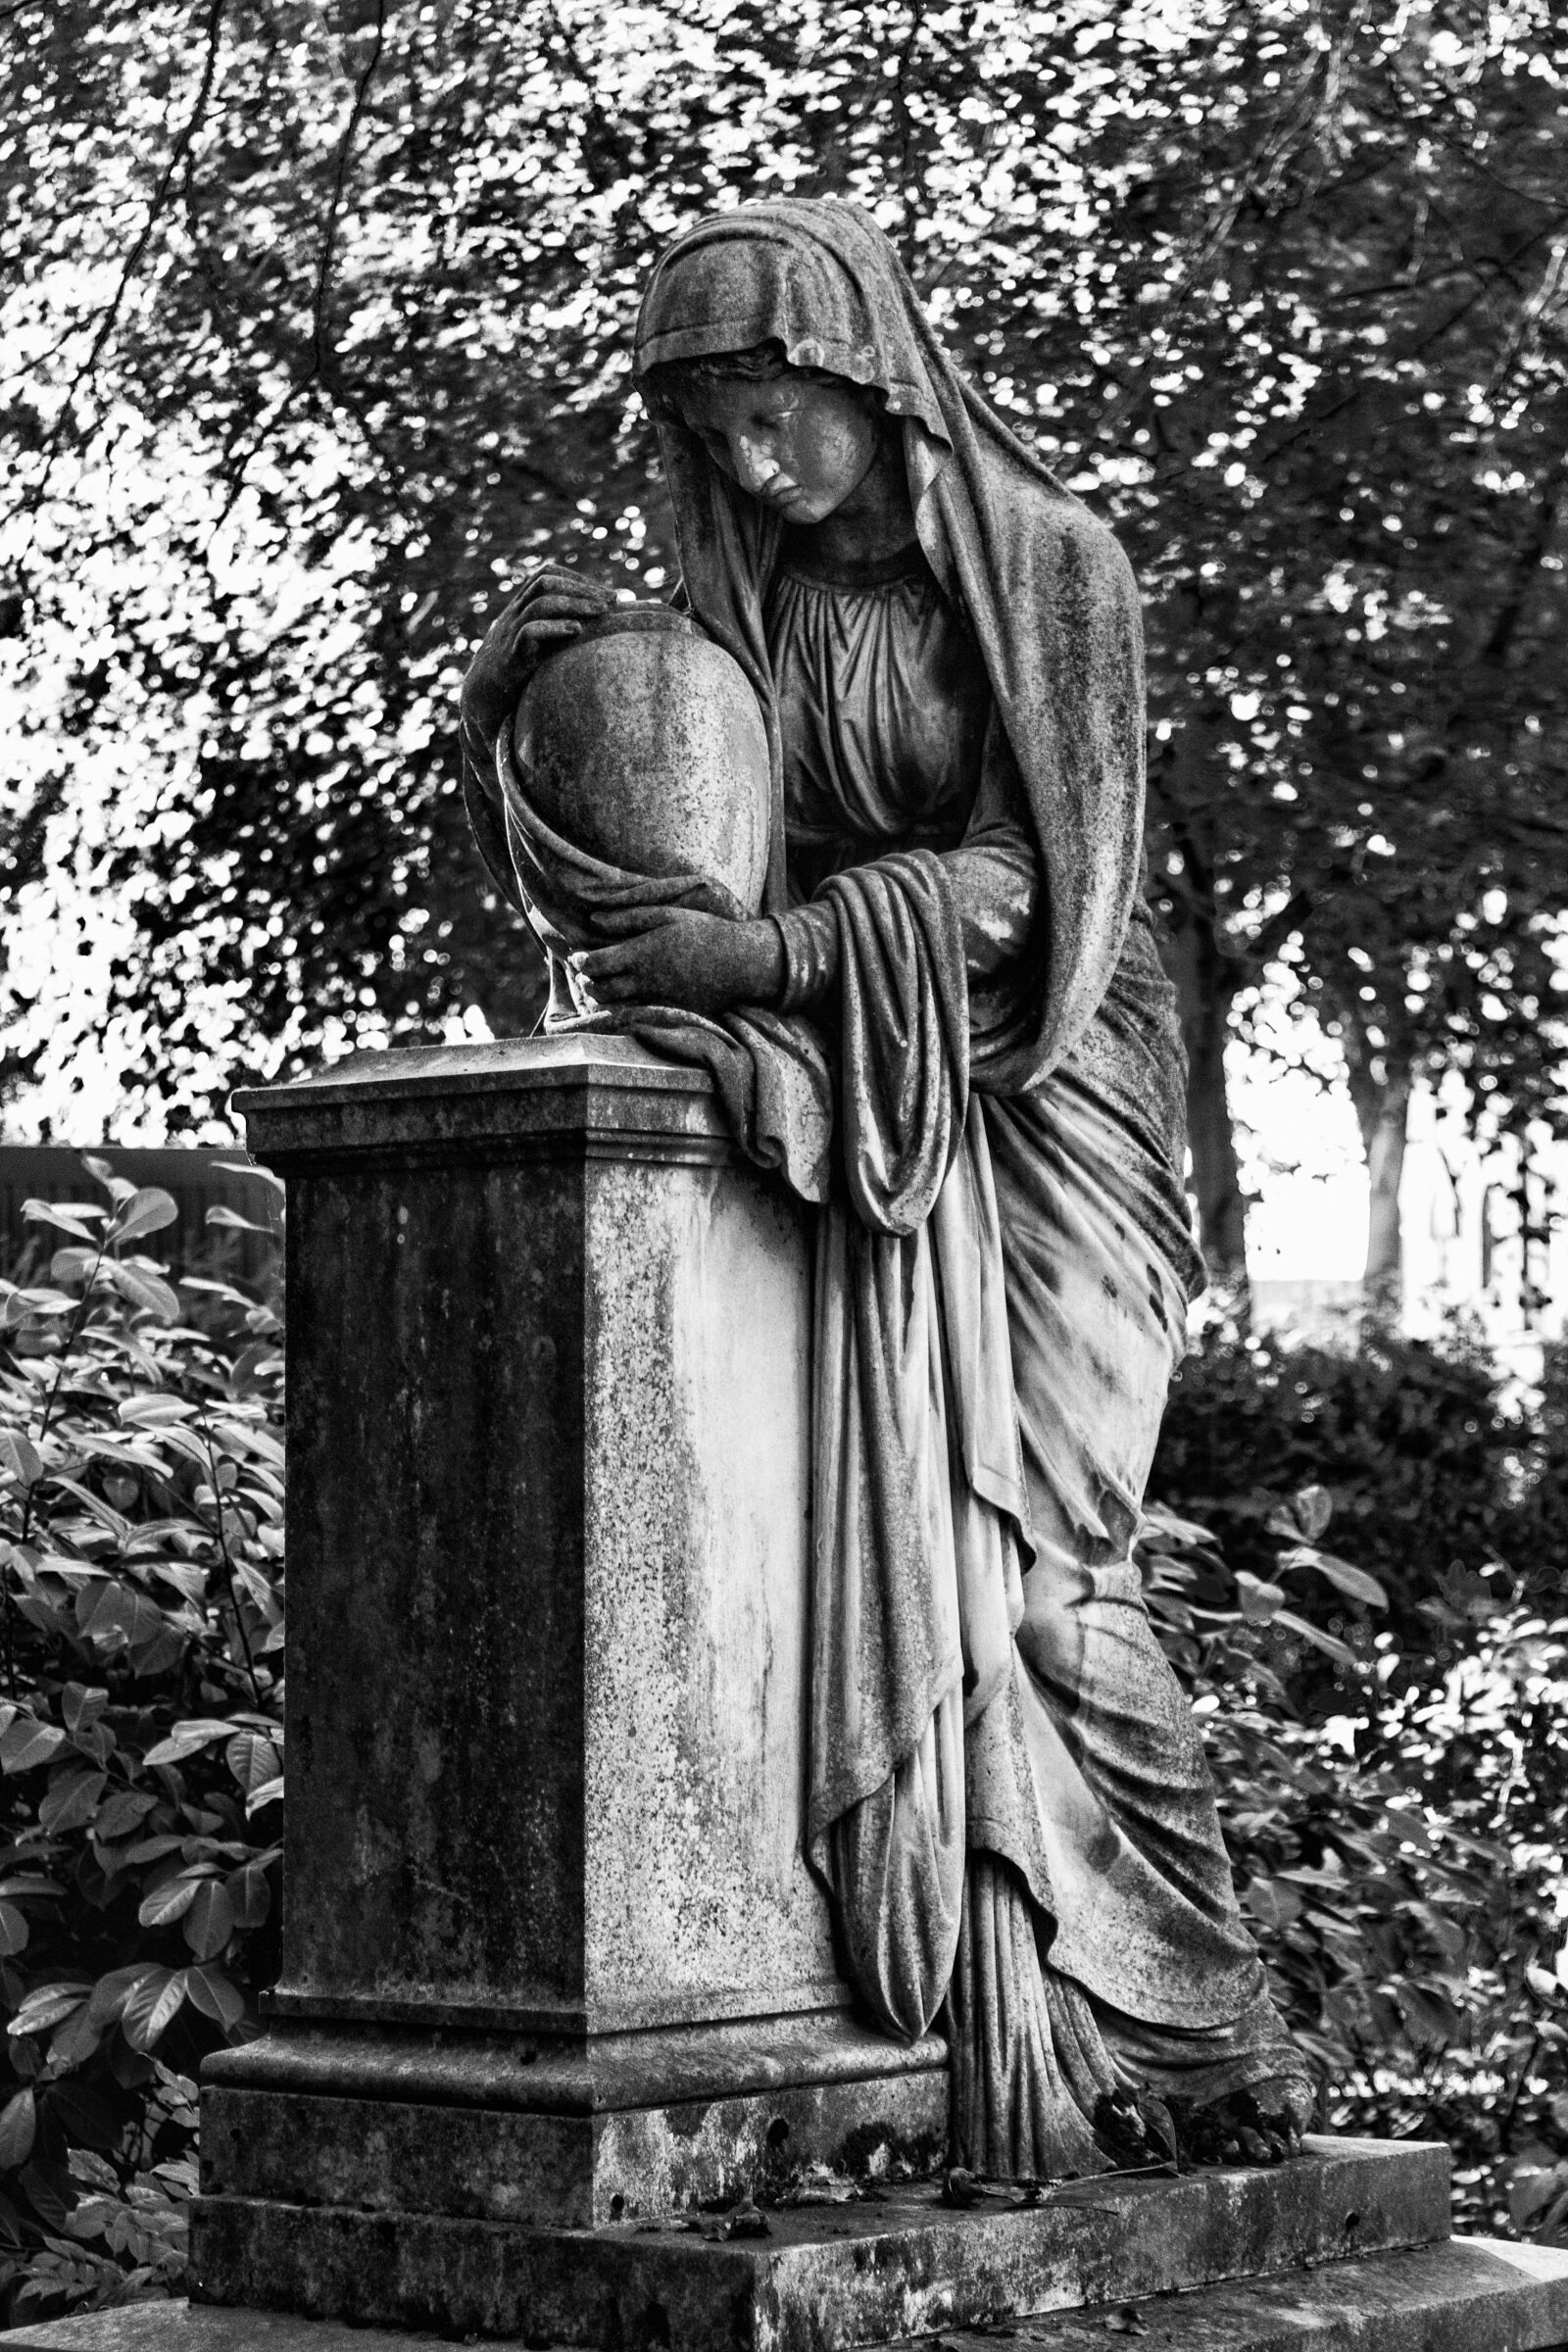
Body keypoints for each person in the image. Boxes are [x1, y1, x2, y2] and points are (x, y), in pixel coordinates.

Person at [461, 199, 1314, 2179]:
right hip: (866, 1070)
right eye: (711, 433)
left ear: (865, 375)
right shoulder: (738, 606)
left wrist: (771, 962)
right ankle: (942, 2013)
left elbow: (1032, 885)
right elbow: (681, 856)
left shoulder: (1048, 573)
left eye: (773, 414)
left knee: (1044, 1561)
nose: (751, 463)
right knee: (908, 1547)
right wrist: (524, 719)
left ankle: (1191, 2026)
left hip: (1045, 1082)